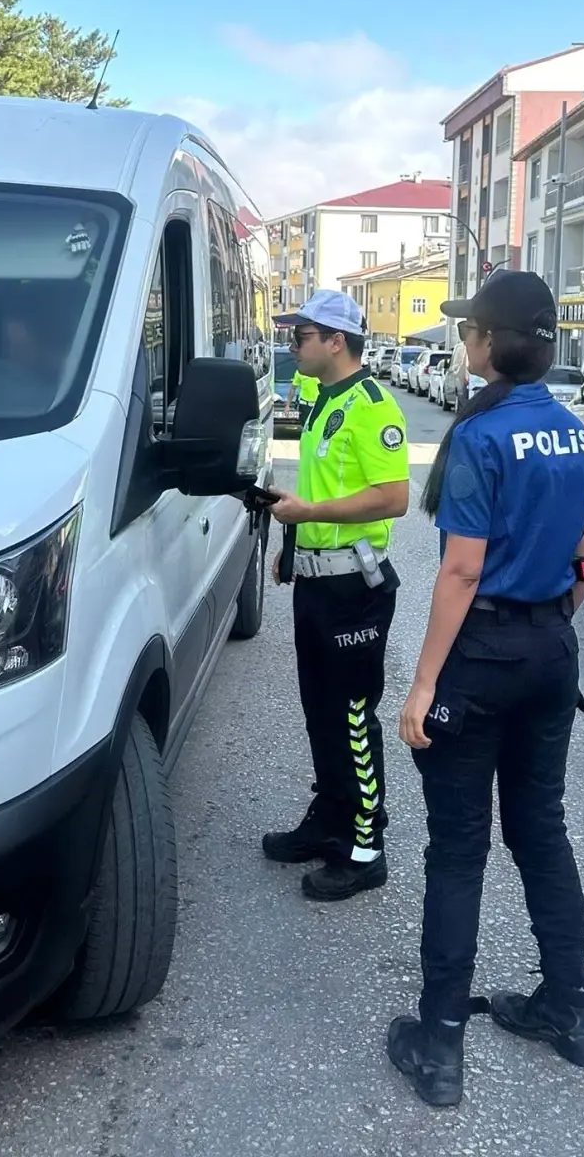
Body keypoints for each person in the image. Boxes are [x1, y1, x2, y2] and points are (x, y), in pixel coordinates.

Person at [384, 270, 584, 1107]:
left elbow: (463, 568)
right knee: (541, 832)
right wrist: (552, 626)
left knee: (458, 849)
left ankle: (439, 1042)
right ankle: (572, 1010)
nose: (463, 341)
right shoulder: (573, 433)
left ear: (489, 343)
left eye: (469, 329)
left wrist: (423, 684)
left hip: (481, 659)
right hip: (551, 648)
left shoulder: (479, 438)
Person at [263, 289, 410, 902]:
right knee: (320, 710)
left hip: (355, 588)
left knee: (353, 716)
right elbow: (319, 486)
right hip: (318, 583)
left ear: (335, 340)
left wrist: (310, 511)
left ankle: (367, 844)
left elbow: (393, 497)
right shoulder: (323, 401)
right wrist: (293, 540)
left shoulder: (373, 406)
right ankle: (330, 821)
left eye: (301, 334)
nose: (292, 343)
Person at [286, 364, 321, 429]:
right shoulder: (300, 372)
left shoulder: (320, 370)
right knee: (305, 428)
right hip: (304, 405)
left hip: (318, 405)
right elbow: (293, 388)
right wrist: (287, 405)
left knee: (316, 427)